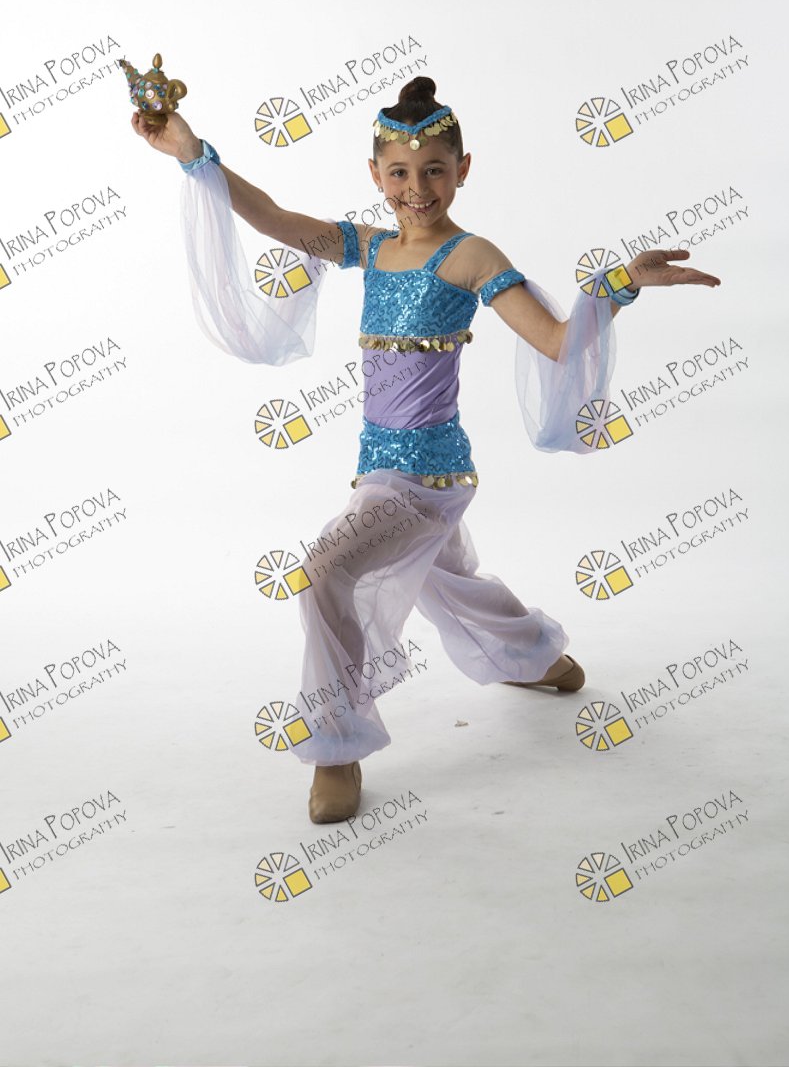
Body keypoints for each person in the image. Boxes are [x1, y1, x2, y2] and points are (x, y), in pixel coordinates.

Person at [131, 75, 721, 825]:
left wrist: (617, 286)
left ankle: (335, 743)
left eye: (435, 170)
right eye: (400, 172)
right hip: (378, 467)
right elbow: (275, 218)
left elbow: (554, 340)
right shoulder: (370, 248)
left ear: (462, 170)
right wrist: (192, 154)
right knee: (445, 578)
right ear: (375, 176)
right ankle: (537, 656)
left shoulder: (471, 256)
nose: (417, 188)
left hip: (426, 476)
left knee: (323, 575)